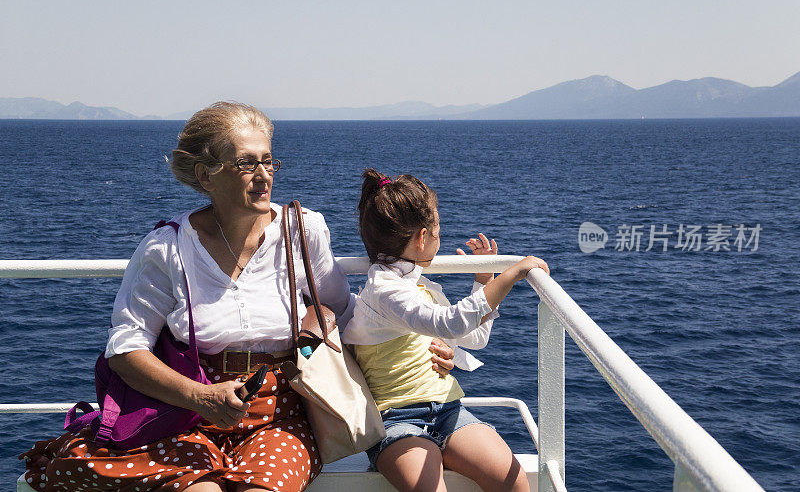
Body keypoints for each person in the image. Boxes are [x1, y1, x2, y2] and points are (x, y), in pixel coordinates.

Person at [19, 102, 455, 492]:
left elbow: (346, 314)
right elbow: (125, 346)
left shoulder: (303, 230)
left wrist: (426, 347)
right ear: (206, 174)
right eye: (247, 164)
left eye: (268, 161)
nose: (264, 174)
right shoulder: (168, 248)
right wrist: (199, 397)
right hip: (186, 410)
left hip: (279, 412)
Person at [341, 168, 550, 492]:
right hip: (397, 420)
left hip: (448, 409)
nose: (441, 235)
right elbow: (450, 321)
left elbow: (473, 337)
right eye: (438, 228)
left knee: (514, 481)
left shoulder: (417, 286)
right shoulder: (387, 291)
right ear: (423, 238)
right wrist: (512, 274)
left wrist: (484, 279)